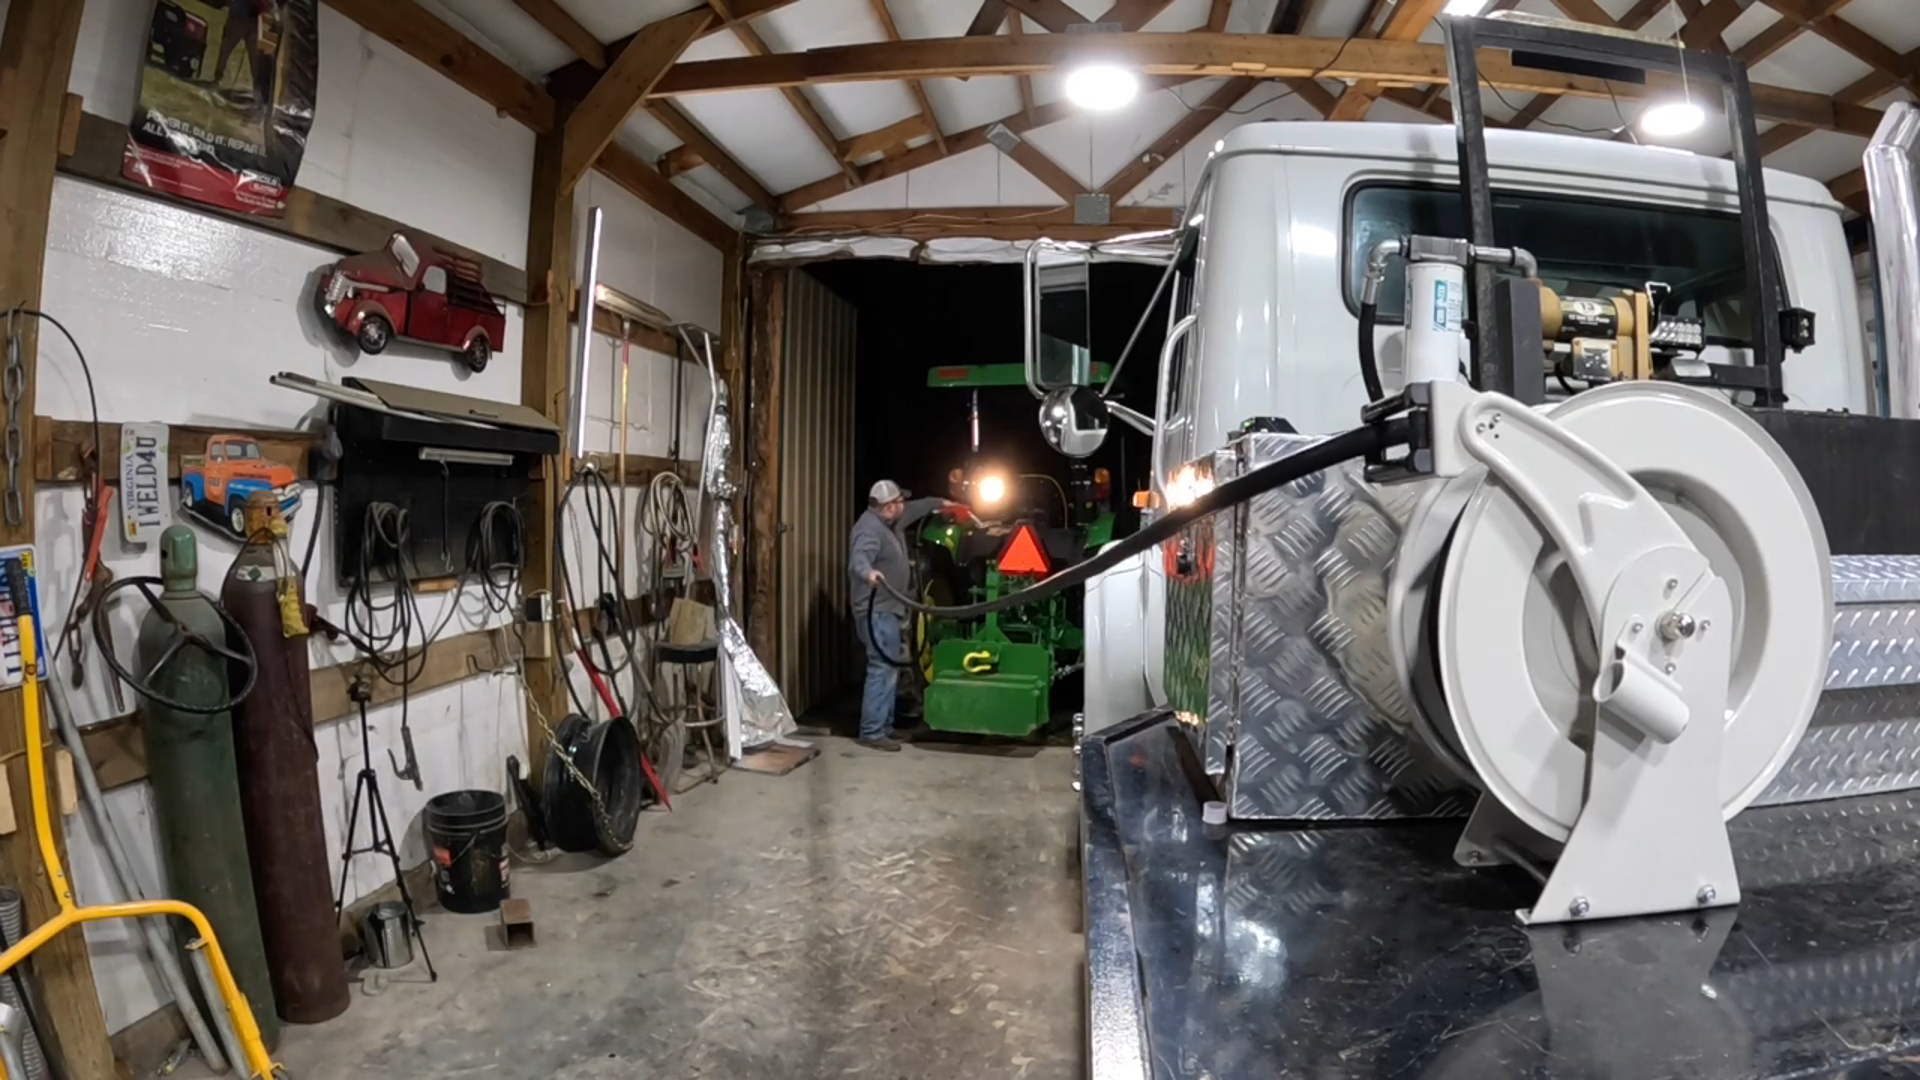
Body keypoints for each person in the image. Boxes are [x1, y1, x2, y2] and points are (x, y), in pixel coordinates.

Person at [848, 479, 957, 751]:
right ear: (887, 507)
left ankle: (885, 726)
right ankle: (872, 732)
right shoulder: (869, 530)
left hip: (891, 610)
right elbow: (858, 559)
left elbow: (916, 509)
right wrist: (868, 573)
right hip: (876, 612)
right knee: (881, 668)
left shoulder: (891, 520)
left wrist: (940, 503)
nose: (904, 505)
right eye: (899, 502)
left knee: (891, 668)